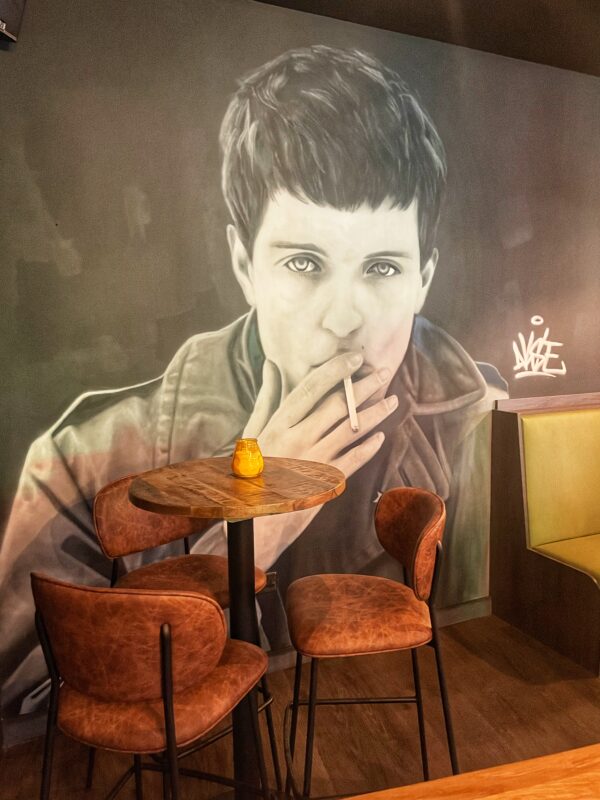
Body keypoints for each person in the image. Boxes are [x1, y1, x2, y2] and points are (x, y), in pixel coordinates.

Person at [0, 45, 506, 717]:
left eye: (382, 268)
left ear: (423, 280)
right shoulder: (78, 460)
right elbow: (35, 701)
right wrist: (253, 527)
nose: (344, 318)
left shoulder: (477, 423)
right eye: (304, 263)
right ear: (244, 264)